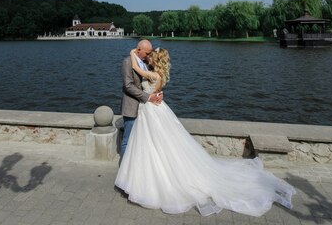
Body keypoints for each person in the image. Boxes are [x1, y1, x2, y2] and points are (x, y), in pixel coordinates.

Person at [115, 47, 295, 217]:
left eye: (150, 55)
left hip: (152, 111)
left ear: (155, 60)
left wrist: (132, 53)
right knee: (153, 145)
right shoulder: (160, 75)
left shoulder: (152, 73)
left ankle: (150, 182)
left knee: (156, 144)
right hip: (152, 109)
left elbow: (136, 68)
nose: (147, 57)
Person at [119, 39, 162, 160]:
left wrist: (158, 93)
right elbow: (128, 86)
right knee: (128, 141)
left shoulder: (147, 63)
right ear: (138, 50)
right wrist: (148, 97)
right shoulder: (127, 62)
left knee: (143, 141)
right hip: (131, 106)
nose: (149, 56)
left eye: (150, 53)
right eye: (147, 53)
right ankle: (124, 170)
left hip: (145, 110)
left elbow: (153, 82)